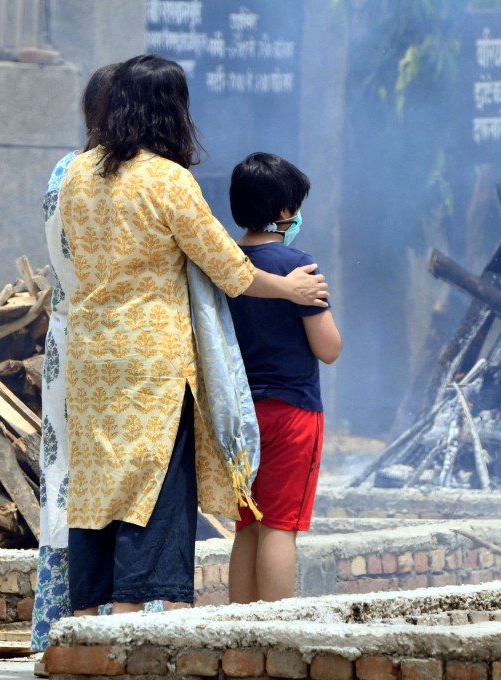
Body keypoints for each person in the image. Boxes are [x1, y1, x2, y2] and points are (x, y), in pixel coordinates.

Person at [57, 54, 328, 616]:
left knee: (96, 493)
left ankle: (87, 623)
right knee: (151, 490)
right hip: (154, 365)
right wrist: (292, 291)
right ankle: (132, 628)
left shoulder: (77, 174)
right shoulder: (168, 180)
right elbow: (228, 265)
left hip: (89, 360)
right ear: (170, 111)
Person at [29, 63, 167, 654]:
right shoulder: (138, 178)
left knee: (68, 480)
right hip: (127, 346)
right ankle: (131, 616)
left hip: (68, 342)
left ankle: (61, 626)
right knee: (136, 475)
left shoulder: (65, 171)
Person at [225, 152, 342, 603]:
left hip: (239, 415)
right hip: (292, 413)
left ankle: (237, 631)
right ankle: (275, 632)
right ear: (283, 212)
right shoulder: (297, 266)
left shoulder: (224, 264)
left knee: (247, 526)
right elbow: (328, 348)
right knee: (280, 526)